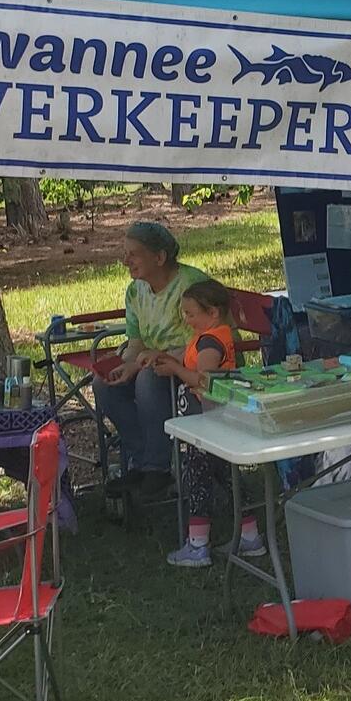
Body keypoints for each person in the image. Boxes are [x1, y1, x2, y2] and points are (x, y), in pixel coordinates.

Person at [148, 279, 264, 568]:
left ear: (212, 313)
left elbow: (203, 379)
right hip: (208, 421)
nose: (186, 320)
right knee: (226, 474)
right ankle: (250, 536)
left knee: (199, 477)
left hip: (209, 423)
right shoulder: (208, 335)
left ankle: (198, 544)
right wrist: (164, 357)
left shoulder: (212, 341)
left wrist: (174, 369)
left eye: (190, 314)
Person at [98, 222, 210, 500]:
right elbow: (136, 343)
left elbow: (200, 344)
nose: (126, 261)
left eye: (133, 254)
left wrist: (139, 365)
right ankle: (142, 462)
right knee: (104, 385)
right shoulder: (136, 291)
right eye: (125, 253)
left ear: (159, 258)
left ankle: (157, 468)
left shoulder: (190, 286)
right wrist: (123, 366)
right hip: (155, 362)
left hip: (195, 366)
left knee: (148, 378)